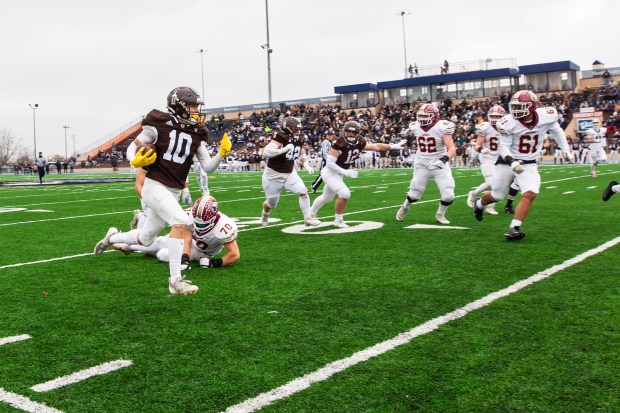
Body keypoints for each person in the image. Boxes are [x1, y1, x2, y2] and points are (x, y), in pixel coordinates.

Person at [94, 86, 231, 295]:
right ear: (180, 106)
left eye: (196, 106)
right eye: (192, 105)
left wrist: (221, 154)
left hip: (174, 190)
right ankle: (175, 281)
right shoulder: (160, 125)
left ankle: (111, 238)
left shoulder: (196, 132)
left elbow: (207, 166)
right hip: (154, 185)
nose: (196, 110)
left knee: (145, 239)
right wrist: (134, 160)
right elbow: (133, 146)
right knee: (182, 222)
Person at [473, 90, 574, 240]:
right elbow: (503, 147)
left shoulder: (547, 115)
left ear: (532, 107)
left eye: (520, 107)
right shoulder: (507, 122)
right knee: (497, 195)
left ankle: (514, 227)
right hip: (507, 161)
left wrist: (565, 150)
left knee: (531, 192)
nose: (515, 110)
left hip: (529, 164)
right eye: (514, 106)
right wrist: (512, 161)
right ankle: (479, 204)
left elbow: (557, 132)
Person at [310, 121, 406, 227]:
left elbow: (376, 146)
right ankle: (338, 220)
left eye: (353, 132)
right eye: (348, 132)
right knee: (345, 193)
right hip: (330, 171)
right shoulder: (339, 143)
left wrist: (392, 146)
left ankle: (310, 215)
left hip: (337, 173)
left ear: (357, 133)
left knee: (326, 198)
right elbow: (329, 163)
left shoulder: (359, 142)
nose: (350, 134)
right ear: (344, 132)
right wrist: (344, 171)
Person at [112, 195, 240, 268]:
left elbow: (235, 254)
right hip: (189, 242)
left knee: (162, 254)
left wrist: (214, 262)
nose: (199, 224)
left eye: (202, 222)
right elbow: (188, 235)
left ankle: (142, 249)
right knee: (160, 241)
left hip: (202, 251)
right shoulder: (190, 215)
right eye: (197, 221)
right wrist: (185, 257)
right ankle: (130, 248)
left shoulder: (223, 226)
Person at [396, 103, 457, 224]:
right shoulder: (415, 126)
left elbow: (452, 149)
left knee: (448, 194)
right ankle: (405, 207)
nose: (422, 119)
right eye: (421, 116)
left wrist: (443, 159)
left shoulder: (442, 127)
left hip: (439, 163)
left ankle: (440, 214)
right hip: (422, 163)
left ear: (434, 116)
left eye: (425, 116)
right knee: (414, 193)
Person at [260, 116, 320, 227]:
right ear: (287, 128)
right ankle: (265, 213)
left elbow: (300, 150)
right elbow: (265, 153)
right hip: (273, 175)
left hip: (289, 173)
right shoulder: (280, 137)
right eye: (295, 129)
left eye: (298, 128)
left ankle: (308, 218)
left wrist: (306, 164)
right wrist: (283, 149)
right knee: (272, 204)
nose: (297, 131)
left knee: (302, 191)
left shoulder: (299, 138)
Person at [466, 105, 505, 215]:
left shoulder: (508, 126)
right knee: (492, 182)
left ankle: (479, 197)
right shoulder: (485, 127)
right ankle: (484, 202)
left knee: (499, 183)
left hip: (501, 158)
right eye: (493, 116)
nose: (496, 119)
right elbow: (477, 145)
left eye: (498, 117)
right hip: (487, 158)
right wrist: (482, 149)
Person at [311, 129, 336, 193]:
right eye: (330, 135)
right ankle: (314, 186)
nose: (332, 136)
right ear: (327, 136)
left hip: (328, 160)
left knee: (331, 174)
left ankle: (331, 188)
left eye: (332, 135)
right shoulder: (326, 142)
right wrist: (329, 160)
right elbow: (325, 153)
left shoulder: (329, 142)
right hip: (325, 160)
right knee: (322, 175)